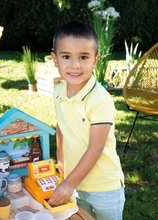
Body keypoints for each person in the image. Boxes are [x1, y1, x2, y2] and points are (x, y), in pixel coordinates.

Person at [48, 20, 125, 220]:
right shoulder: (58, 92)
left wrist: (68, 184)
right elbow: (61, 127)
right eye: (66, 57)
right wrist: (62, 164)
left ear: (95, 60)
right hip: (76, 182)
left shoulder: (100, 99)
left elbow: (95, 148)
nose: (75, 65)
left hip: (104, 187)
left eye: (83, 57)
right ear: (55, 59)